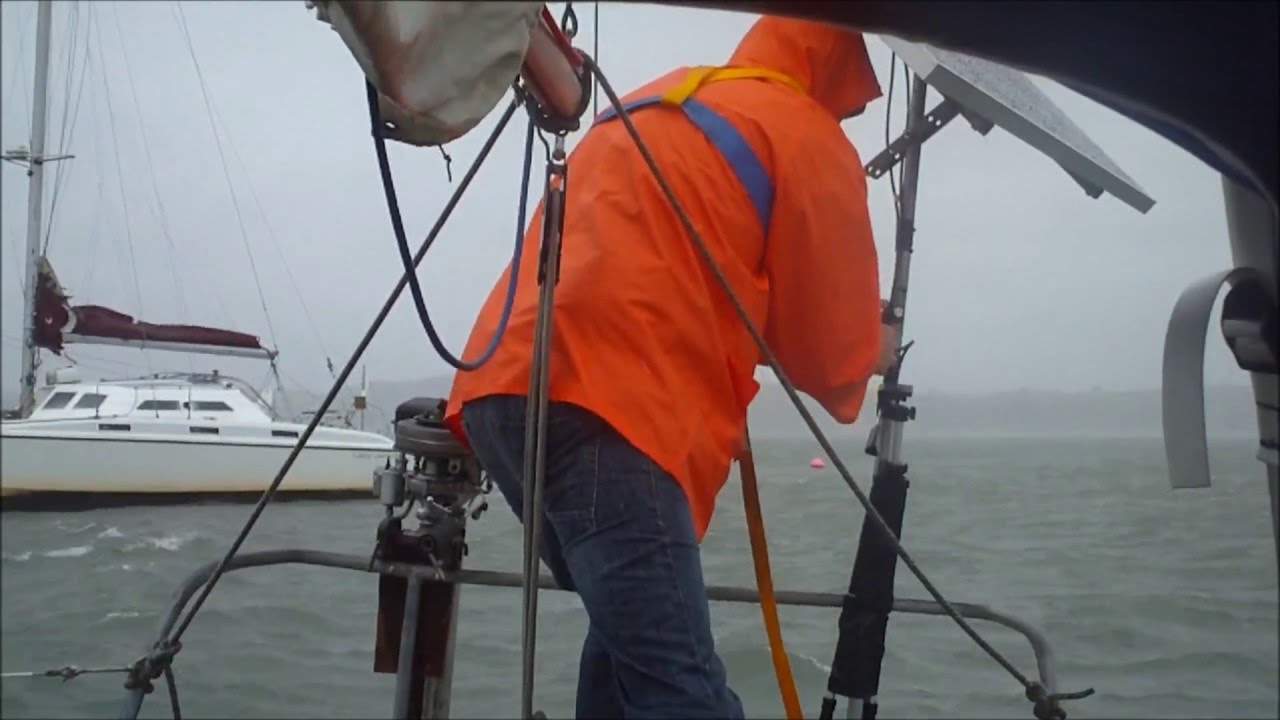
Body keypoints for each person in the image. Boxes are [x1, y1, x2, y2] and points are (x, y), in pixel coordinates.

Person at [444, 14, 897, 719]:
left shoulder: (666, 96)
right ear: (837, 65)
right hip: (608, 408)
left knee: (629, 643)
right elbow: (830, 360)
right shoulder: (806, 134)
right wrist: (878, 346)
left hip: (498, 390)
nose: (857, 110)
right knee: (680, 691)